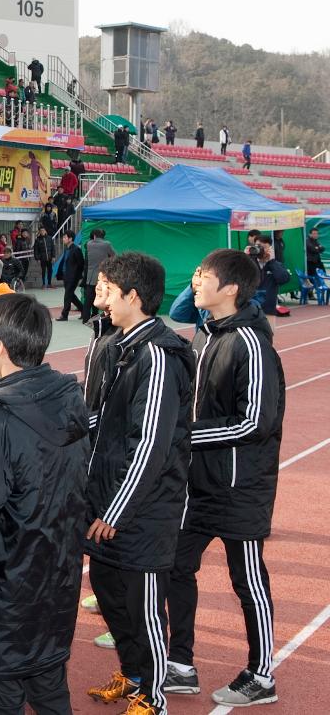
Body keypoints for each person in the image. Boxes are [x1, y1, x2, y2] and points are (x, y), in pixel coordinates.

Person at [0, 294, 89, 715]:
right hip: (56, 575)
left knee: (0, 694)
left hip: (2, 585)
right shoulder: (70, 399)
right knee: (49, 686)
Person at [161, 249, 283, 707]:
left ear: (230, 288)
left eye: (203, 276)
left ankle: (261, 674)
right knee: (176, 565)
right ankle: (180, 663)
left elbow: (256, 422)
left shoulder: (250, 343)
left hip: (239, 488)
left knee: (247, 579)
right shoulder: (205, 336)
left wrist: (184, 437)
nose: (195, 282)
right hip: (198, 483)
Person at [83, 253, 193, 715]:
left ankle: (154, 697)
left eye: (106, 288)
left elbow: (150, 443)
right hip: (107, 500)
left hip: (143, 510)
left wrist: (116, 510)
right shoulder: (117, 345)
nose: (98, 297)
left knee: (143, 605)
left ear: (133, 296)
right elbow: (98, 423)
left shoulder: (158, 355)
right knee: (111, 596)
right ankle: (133, 676)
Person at [84, 228, 116, 322]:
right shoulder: (107, 244)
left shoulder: (89, 244)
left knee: (88, 299)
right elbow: (114, 256)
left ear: (94, 236)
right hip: (102, 277)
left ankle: (85, 318)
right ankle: (99, 316)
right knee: (102, 297)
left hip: (90, 277)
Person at [56, 229, 87, 322]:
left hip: (73, 277)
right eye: (63, 237)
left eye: (65, 237)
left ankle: (64, 315)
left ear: (70, 239)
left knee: (67, 295)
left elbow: (81, 264)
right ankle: (83, 310)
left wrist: (77, 275)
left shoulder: (76, 249)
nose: (63, 239)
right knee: (71, 295)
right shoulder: (67, 249)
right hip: (66, 276)